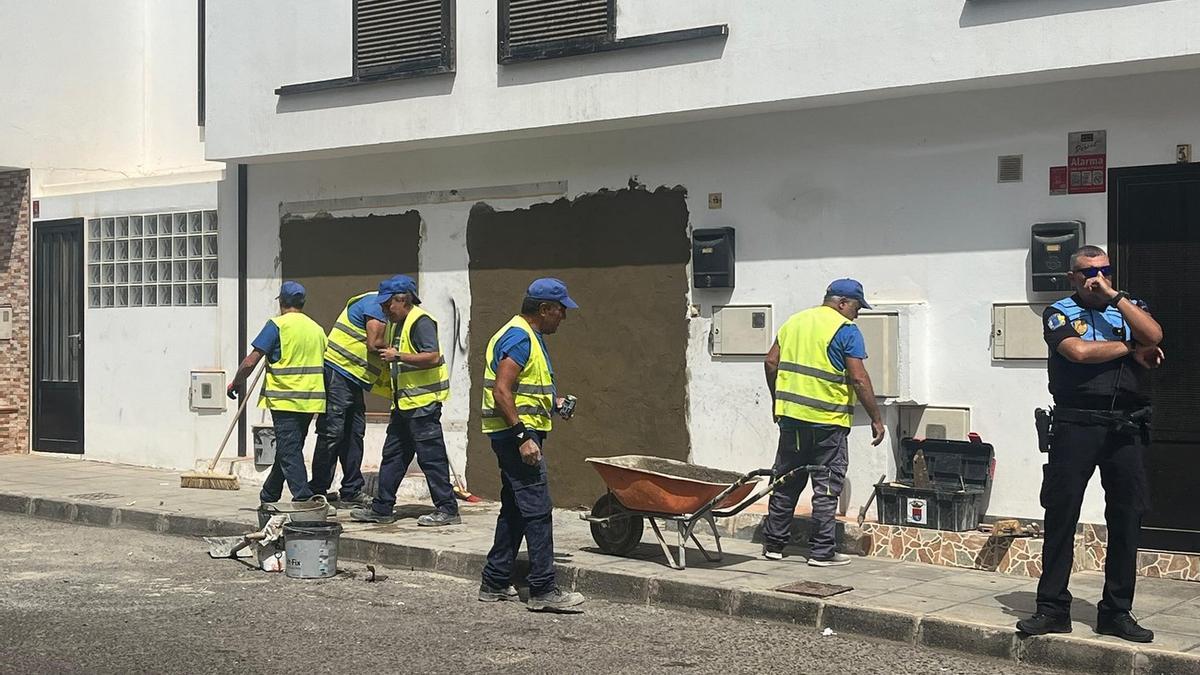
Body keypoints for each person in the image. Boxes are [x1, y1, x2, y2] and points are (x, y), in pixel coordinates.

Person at [1017, 245, 1163, 643]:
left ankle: (1116, 612)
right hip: (1075, 425)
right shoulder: (1059, 311)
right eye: (1086, 272)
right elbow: (1078, 352)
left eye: (1103, 270)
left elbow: (1155, 334)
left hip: (1126, 427)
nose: (1094, 278)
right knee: (1061, 516)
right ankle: (1051, 608)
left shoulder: (1129, 305)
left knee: (1126, 517)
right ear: (1072, 278)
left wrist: (1117, 298)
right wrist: (1133, 349)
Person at [478, 278, 585, 612]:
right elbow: (501, 391)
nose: (563, 317)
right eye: (560, 310)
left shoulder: (525, 335)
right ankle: (542, 589)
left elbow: (524, 389)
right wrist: (523, 436)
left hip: (517, 433)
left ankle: (494, 581)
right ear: (544, 309)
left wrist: (554, 402)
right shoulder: (520, 337)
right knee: (538, 510)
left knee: (515, 509)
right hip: (517, 438)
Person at [762, 279, 886, 566]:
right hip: (827, 423)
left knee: (786, 481)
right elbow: (858, 377)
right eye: (856, 307)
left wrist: (776, 400)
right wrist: (876, 418)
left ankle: (774, 545)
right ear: (842, 303)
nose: (858, 314)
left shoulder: (794, 322)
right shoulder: (846, 330)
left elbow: (771, 362)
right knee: (827, 488)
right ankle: (822, 552)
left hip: (791, 420)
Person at [351, 275, 460, 526]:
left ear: (402, 300)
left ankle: (448, 509)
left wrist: (397, 355)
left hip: (422, 405)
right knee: (393, 457)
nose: (384, 309)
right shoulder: (397, 323)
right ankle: (382, 508)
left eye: (387, 304)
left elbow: (432, 357)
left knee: (431, 458)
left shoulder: (420, 321)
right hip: (404, 405)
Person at [227, 281, 326, 505]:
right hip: (311, 400)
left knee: (290, 451)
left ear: (281, 302)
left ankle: (303, 498)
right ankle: (269, 494)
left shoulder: (277, 325)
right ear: (302, 303)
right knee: (289, 449)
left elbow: (251, 361)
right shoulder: (317, 329)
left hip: (286, 400)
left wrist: (236, 382)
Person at [307, 281, 394, 506]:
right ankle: (317, 489)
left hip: (354, 378)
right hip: (339, 372)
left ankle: (351, 489)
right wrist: (400, 350)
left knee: (354, 433)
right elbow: (375, 343)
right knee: (332, 432)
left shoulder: (380, 306)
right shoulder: (376, 305)